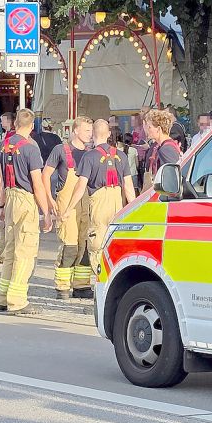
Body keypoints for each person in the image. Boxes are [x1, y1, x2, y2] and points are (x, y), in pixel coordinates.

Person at [64, 119, 136, 296]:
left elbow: (81, 186)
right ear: (109, 134)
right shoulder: (121, 155)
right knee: (112, 244)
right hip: (117, 202)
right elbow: (128, 186)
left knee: (96, 245)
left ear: (93, 135)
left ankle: (101, 286)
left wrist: (68, 209)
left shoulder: (90, 156)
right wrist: (133, 209)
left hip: (98, 202)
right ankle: (113, 283)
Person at [0, 108, 53, 315]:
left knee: (10, 249)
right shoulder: (30, 148)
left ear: (15, 123)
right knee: (25, 251)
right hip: (25, 200)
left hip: (9, 198)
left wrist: (0, 206)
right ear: (32, 125)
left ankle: (2, 297)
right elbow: (37, 184)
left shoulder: (3, 145)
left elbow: (0, 179)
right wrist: (46, 211)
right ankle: (17, 300)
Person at [41, 116, 93, 300]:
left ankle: (82, 285)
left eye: (91, 131)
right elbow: (45, 175)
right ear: (76, 131)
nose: (90, 134)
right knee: (70, 246)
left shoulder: (90, 152)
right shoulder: (60, 150)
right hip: (66, 205)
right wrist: (49, 200)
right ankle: (62, 286)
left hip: (86, 206)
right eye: (87, 131)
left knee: (85, 246)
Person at [141, 109, 182, 191]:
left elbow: (172, 178)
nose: (147, 129)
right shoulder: (162, 146)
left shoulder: (166, 149)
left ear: (158, 129)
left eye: (150, 127)